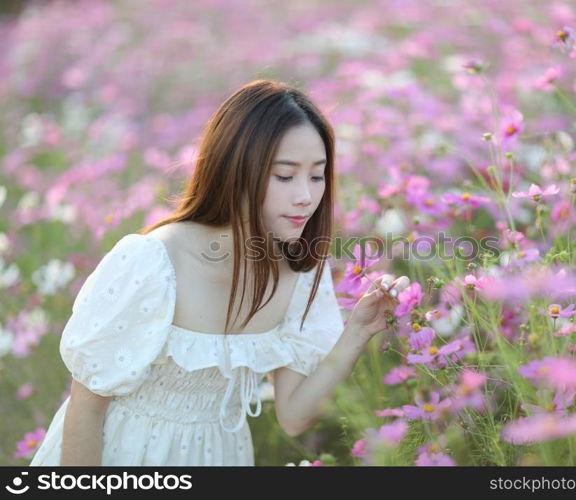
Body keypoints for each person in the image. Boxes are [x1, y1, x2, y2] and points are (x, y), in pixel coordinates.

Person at [29, 79, 408, 466]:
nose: (306, 196)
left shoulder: (300, 269)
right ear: (236, 169)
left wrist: (359, 329)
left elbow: (295, 416)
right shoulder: (153, 261)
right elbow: (86, 409)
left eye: (317, 175)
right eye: (284, 175)